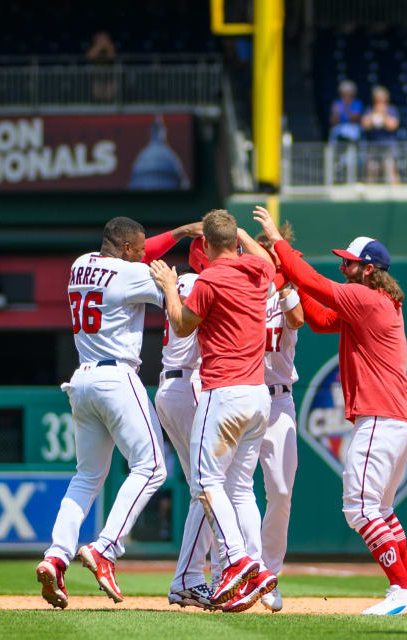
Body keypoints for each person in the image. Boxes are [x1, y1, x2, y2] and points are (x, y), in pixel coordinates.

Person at [253, 207, 407, 616]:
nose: (342, 267)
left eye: (349, 263)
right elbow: (318, 319)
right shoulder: (375, 301)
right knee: (381, 510)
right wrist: (283, 281)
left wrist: (278, 245)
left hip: (380, 415)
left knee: (359, 509)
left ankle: (403, 588)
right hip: (393, 416)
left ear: (369, 270)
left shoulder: (367, 298)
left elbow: (315, 282)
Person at [36, 217, 201, 610]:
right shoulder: (130, 274)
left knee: (87, 476)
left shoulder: (80, 264)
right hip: (117, 377)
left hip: (82, 379)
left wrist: (177, 234)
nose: (146, 254)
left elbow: (136, 258)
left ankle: (56, 555)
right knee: (152, 468)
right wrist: (170, 277)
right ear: (127, 250)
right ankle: (106, 547)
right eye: (140, 250)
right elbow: (179, 299)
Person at [150, 210, 278, 613]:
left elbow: (182, 324)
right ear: (236, 241)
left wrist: (171, 287)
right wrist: (241, 234)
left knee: (205, 483)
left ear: (204, 245)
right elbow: (271, 262)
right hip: (259, 395)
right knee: (238, 488)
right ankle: (248, 566)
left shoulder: (208, 279)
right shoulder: (258, 270)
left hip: (223, 392)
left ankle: (238, 561)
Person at [157, 244, 217, 611]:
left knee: (205, 486)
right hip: (189, 384)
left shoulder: (185, 283)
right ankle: (189, 579)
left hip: (170, 384)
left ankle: (195, 577)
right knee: (209, 487)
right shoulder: (199, 282)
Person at [253, 223, 306, 613]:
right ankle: (233, 570)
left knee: (281, 493)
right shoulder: (241, 288)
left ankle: (268, 576)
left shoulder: (287, 292)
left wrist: (281, 273)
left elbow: (299, 318)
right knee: (228, 490)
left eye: (269, 250)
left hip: (279, 401)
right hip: (242, 395)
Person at [362, 85, 401, 184]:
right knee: (371, 170)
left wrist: (383, 114)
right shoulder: (370, 109)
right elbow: (365, 125)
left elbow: (393, 125)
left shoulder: (391, 109)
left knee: (390, 169)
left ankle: (396, 193)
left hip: (388, 144)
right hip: (373, 144)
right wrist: (374, 114)